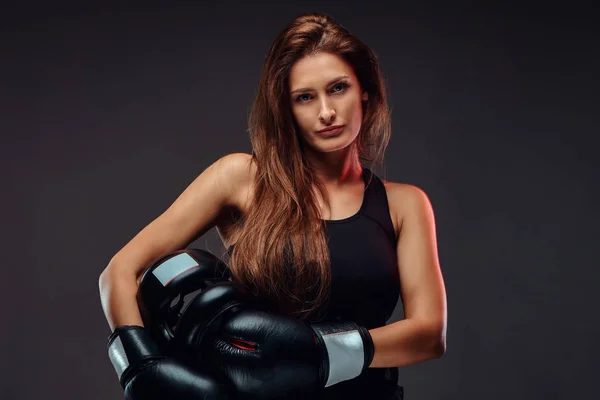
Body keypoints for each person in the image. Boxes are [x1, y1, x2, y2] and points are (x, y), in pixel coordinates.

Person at [99, 11, 447, 400]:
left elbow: (429, 333)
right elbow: (119, 271)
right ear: (286, 109)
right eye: (304, 97)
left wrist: (318, 352)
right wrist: (138, 367)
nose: (326, 112)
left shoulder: (404, 204)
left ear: (364, 90)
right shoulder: (242, 178)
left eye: (338, 88)